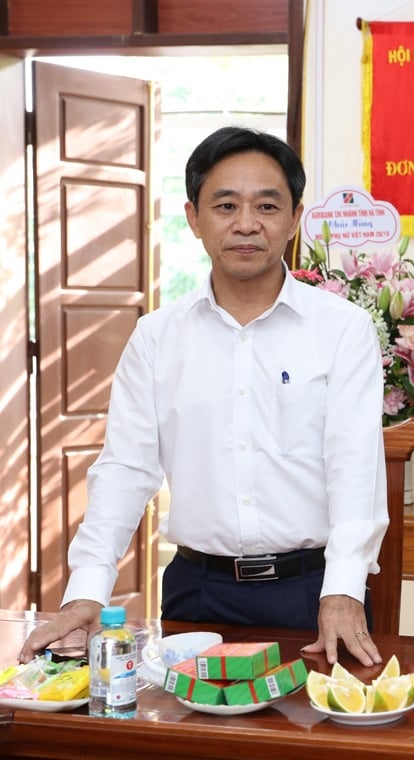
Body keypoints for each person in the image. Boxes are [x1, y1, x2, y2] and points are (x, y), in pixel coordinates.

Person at [19, 127, 388, 667]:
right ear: (194, 217)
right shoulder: (157, 336)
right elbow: (125, 468)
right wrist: (87, 589)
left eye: (266, 205)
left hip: (311, 592)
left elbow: (355, 466)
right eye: (225, 205)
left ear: (294, 218)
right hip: (197, 590)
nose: (246, 224)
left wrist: (344, 589)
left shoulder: (342, 329)